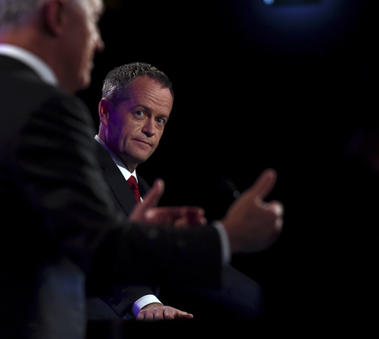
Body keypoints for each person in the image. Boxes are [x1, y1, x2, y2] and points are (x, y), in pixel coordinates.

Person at [0, 0, 283, 339]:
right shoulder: (44, 108)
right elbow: (99, 253)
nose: (98, 42)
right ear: (57, 15)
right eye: (94, 20)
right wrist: (227, 236)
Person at [87, 62, 264, 321]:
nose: (151, 130)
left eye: (160, 120)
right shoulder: (77, 166)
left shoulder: (144, 191)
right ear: (105, 111)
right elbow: (92, 247)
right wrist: (145, 303)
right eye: (139, 113)